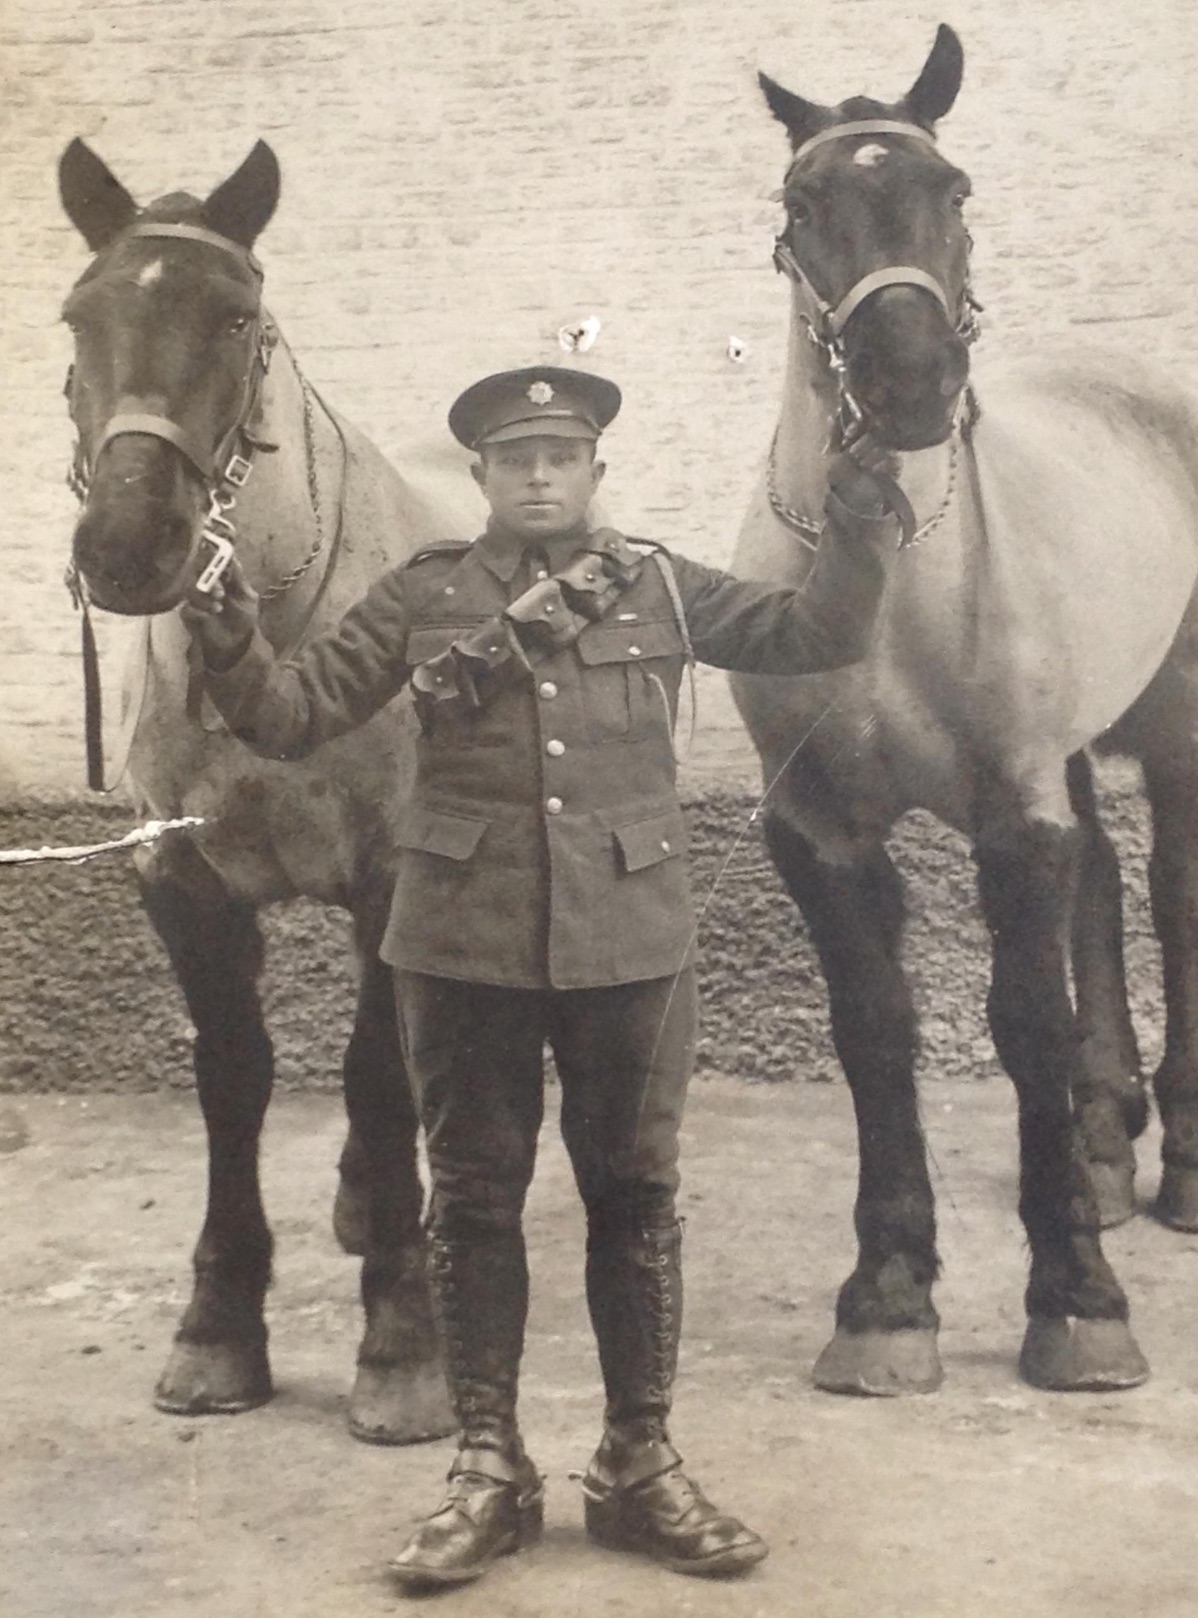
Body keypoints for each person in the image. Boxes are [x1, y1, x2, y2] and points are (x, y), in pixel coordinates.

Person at [184, 365, 901, 1590]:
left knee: (634, 1198)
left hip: (632, 943)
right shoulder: (421, 598)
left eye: (559, 457)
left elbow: (813, 634)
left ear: (594, 475)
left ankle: (638, 1460)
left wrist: (858, 519)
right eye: (514, 461)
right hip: (461, 943)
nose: (537, 476)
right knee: (469, 1203)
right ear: (479, 482)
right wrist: (227, 630)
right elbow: (292, 714)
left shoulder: (660, 584)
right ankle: (486, 1468)